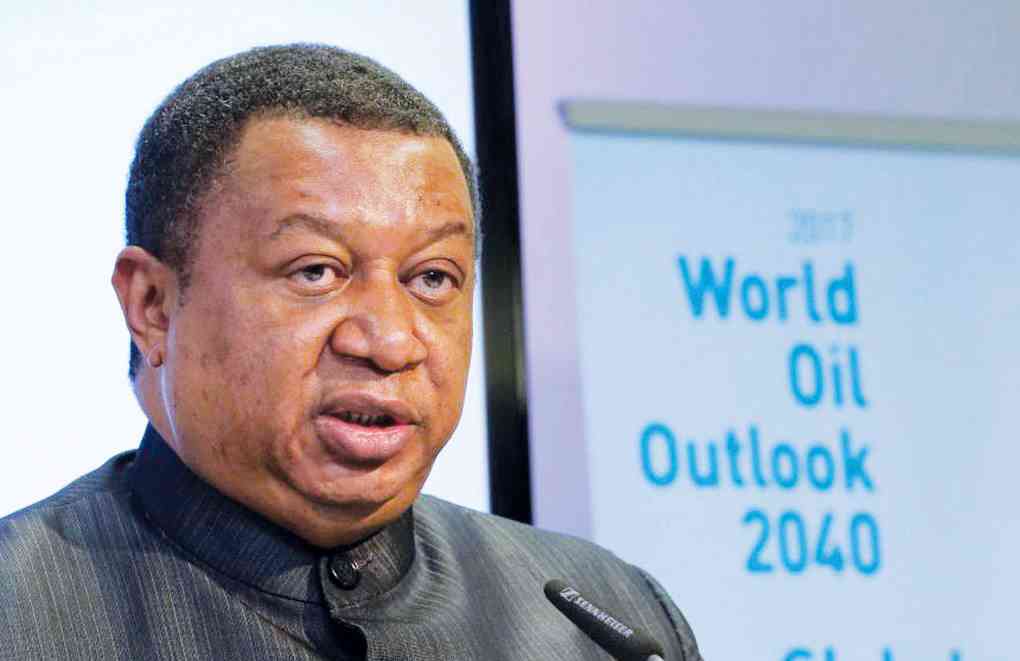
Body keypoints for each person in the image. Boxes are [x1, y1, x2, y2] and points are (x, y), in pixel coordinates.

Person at [0, 44, 701, 660]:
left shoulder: (605, 619)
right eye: (315, 271)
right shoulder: (20, 612)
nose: (390, 341)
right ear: (152, 305)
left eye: (433, 278)